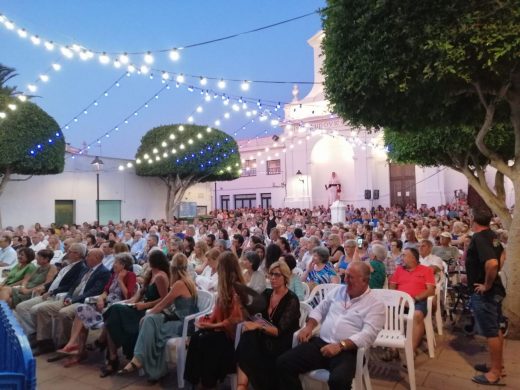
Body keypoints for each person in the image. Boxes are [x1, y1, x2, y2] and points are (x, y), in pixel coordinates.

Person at [276, 262, 385, 390]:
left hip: (347, 352)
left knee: (339, 380)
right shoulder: (338, 291)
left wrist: (340, 346)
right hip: (321, 344)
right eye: (346, 276)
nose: (345, 280)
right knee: (283, 363)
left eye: (350, 277)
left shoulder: (375, 305)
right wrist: (309, 326)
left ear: (365, 280)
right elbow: (319, 310)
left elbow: (368, 335)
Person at [118, 253, 198, 382]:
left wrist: (148, 312)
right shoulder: (187, 281)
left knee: (151, 324)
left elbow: (163, 303)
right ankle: (140, 360)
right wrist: (149, 315)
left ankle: (144, 363)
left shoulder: (180, 284)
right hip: (176, 317)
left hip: (184, 324)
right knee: (150, 321)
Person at [56, 253, 136, 367]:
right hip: (104, 305)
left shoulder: (130, 275)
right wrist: (100, 299)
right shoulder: (113, 275)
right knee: (81, 309)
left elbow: (129, 296)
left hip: (117, 309)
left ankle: (82, 349)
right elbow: (105, 291)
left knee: (85, 316)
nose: (113, 265)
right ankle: (73, 344)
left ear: (123, 265)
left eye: (116, 263)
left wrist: (121, 281)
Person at [101, 249, 170, 377]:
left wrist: (145, 305)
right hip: (139, 307)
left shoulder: (161, 276)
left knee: (113, 312)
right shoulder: (151, 274)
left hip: (149, 310)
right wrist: (129, 302)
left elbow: (165, 299)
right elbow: (138, 295)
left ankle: (110, 354)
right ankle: (112, 355)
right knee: (114, 311)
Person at [184, 252, 246, 388]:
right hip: (221, 331)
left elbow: (235, 320)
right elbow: (217, 313)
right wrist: (207, 323)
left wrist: (212, 326)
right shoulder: (224, 286)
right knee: (196, 337)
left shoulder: (236, 288)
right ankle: (195, 381)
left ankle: (207, 383)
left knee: (206, 341)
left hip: (232, 338)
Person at [236, 261, 300, 390]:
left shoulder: (291, 300)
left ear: (285, 277)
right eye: (271, 274)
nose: (272, 278)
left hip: (281, 340)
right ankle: (241, 386)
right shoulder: (267, 293)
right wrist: (241, 305)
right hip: (264, 333)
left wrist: (258, 326)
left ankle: (242, 386)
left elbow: (279, 331)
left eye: (277, 275)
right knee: (248, 335)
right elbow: (253, 314)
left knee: (250, 340)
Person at [33, 248, 110, 354]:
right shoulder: (85, 269)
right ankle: (45, 342)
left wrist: (73, 300)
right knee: (43, 309)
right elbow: (73, 285)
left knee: (64, 313)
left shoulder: (104, 272)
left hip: (84, 302)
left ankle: (65, 343)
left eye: (89, 256)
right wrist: (69, 296)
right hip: (71, 298)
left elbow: (93, 291)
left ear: (96, 258)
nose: (86, 258)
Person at [466, 208, 506, 386]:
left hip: (486, 294)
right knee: (496, 328)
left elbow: (492, 263)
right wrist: (495, 275)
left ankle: (495, 373)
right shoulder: (493, 235)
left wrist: (487, 284)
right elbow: (502, 254)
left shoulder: (479, 238)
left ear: (474, 219)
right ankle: (498, 365)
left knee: (490, 331)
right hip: (495, 290)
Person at [389, 247, 435, 352]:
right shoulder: (399, 269)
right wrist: (400, 299)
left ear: (413, 258)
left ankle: (411, 351)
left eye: (404, 255)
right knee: (387, 313)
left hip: (418, 300)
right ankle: (392, 349)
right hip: (400, 301)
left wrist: (415, 298)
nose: (401, 258)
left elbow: (431, 290)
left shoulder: (426, 270)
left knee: (417, 315)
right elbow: (392, 286)